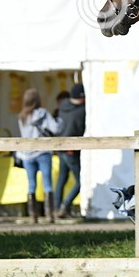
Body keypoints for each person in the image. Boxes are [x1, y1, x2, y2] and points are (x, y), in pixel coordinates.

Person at [17, 88, 60, 224]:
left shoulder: (21, 116)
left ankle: (33, 216)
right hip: (42, 151)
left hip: (27, 153)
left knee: (31, 185)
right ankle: (49, 215)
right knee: (47, 183)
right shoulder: (43, 114)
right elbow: (56, 129)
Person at [54, 83, 86, 219]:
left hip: (61, 147)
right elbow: (80, 128)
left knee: (62, 179)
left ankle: (56, 208)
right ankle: (64, 206)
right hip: (72, 150)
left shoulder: (63, 107)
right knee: (80, 182)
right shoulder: (81, 111)